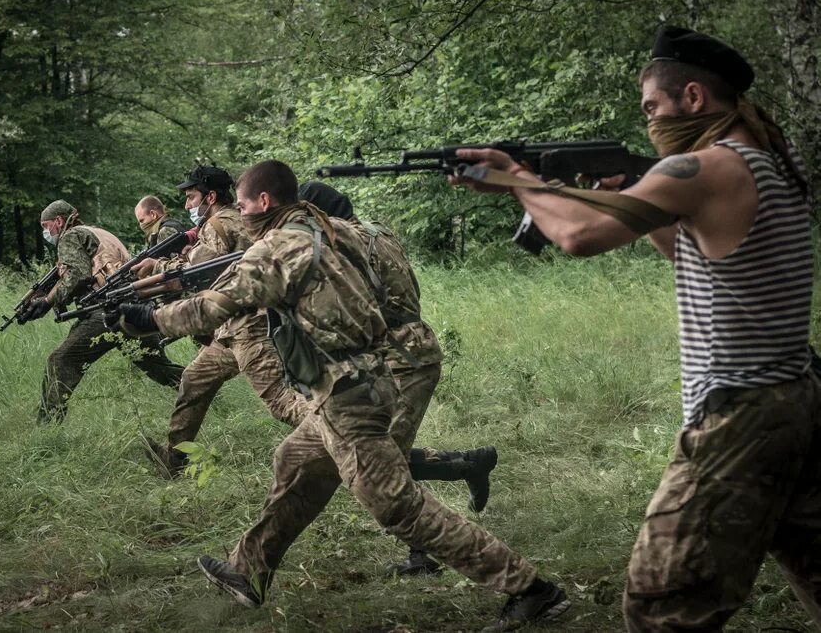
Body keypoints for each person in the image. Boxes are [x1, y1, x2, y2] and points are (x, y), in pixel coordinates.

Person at [455, 25, 820, 632]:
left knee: (661, 605)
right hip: (796, 396)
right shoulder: (770, 157)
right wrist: (633, 199)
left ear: (694, 99)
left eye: (653, 107)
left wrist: (517, 179)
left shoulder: (704, 165)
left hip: (741, 416)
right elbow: (695, 251)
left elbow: (577, 236)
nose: (649, 120)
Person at [114, 161, 570, 630]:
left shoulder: (279, 247)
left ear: (264, 203)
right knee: (295, 460)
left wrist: (149, 319)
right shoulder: (332, 231)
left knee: (398, 506)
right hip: (368, 377)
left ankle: (531, 590)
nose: (240, 212)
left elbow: (213, 309)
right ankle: (247, 571)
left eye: (245, 204)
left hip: (348, 390)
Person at [298, 180, 499, 577]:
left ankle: (423, 554)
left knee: (383, 464)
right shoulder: (376, 231)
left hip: (404, 356)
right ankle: (468, 465)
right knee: (382, 454)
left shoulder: (345, 243)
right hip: (402, 352)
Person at [131, 166, 311, 477]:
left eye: (192, 197)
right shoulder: (245, 216)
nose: (188, 205)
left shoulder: (218, 224)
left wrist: (155, 266)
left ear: (210, 196)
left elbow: (194, 270)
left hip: (251, 327)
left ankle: (355, 440)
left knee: (282, 402)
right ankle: (172, 460)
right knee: (194, 379)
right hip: (238, 325)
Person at [18, 199, 184, 424]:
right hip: (133, 307)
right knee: (156, 366)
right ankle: (202, 386)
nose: (45, 232)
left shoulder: (70, 236)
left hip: (106, 309)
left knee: (61, 361)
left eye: (46, 226)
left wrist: (46, 301)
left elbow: (76, 273)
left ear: (59, 221)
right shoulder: (97, 232)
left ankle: (46, 427)